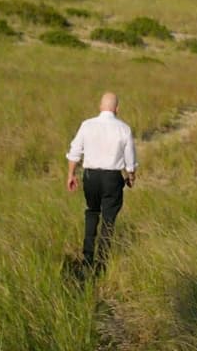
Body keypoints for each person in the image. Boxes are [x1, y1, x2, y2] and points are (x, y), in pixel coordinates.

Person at [66, 92, 137, 271]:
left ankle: (87, 256)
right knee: (108, 219)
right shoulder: (124, 128)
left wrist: (71, 175)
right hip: (112, 178)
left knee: (92, 212)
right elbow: (130, 160)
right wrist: (131, 176)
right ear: (117, 109)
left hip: (91, 176)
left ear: (100, 107)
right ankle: (102, 261)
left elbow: (75, 152)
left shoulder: (87, 125)